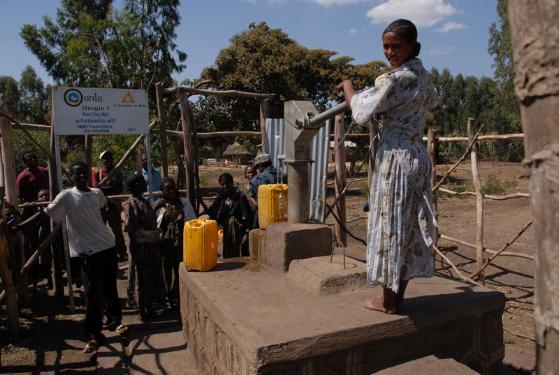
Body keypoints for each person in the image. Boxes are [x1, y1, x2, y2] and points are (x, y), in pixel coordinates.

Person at [337, 19, 437, 314]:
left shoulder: (392, 80)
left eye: (396, 46)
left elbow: (360, 111)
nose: (389, 52)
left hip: (395, 158)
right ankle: (399, 295)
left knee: (390, 226)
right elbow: (432, 102)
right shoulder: (423, 77)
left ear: (413, 47)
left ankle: (387, 301)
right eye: (386, 47)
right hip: (418, 155)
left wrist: (348, 88)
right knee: (409, 226)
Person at [15, 161, 127, 353]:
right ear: (72, 178)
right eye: (77, 174)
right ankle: (93, 334)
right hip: (87, 253)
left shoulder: (97, 193)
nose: (82, 177)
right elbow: (46, 214)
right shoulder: (66, 196)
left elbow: (101, 210)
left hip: (107, 247)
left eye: (84, 173)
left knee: (110, 288)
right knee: (91, 294)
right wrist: (20, 225)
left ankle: (115, 322)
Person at [123, 174, 165, 320]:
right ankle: (142, 311)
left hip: (149, 247)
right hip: (140, 248)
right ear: (135, 186)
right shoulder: (131, 204)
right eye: (141, 182)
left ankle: (149, 308)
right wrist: (150, 235)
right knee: (140, 279)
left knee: (150, 279)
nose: (145, 184)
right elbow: (133, 229)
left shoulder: (143, 201)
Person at [154, 177, 196, 307]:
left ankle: (179, 297)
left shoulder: (184, 203)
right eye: (168, 190)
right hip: (165, 245)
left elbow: (192, 223)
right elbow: (155, 225)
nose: (172, 192)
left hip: (181, 245)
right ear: (162, 191)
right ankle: (168, 298)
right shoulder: (158, 206)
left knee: (180, 270)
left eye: (173, 188)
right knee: (166, 271)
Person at [16, 152, 50, 287]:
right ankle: (34, 274)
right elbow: (20, 197)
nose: (33, 159)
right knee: (33, 244)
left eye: (34, 157)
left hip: (47, 211)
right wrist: (32, 204)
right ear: (25, 162)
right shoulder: (23, 177)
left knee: (48, 241)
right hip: (31, 215)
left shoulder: (43, 171)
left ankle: (48, 272)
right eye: (29, 159)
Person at [207, 173, 252, 258]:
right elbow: (214, 212)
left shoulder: (240, 196)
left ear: (232, 183)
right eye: (222, 184)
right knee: (228, 253)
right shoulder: (222, 197)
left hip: (238, 231)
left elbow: (247, 217)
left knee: (239, 253)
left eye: (227, 183)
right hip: (227, 230)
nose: (225, 186)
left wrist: (246, 234)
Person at [94, 151, 127, 261]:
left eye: (109, 158)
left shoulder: (117, 173)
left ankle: (122, 252)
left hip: (114, 207)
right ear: (102, 160)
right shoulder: (98, 173)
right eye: (105, 158)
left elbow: (119, 188)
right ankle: (103, 253)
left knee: (117, 231)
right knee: (101, 231)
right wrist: (107, 189)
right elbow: (95, 189)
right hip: (101, 208)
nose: (107, 160)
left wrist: (104, 189)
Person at [249, 153, 284, 228]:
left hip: (265, 219)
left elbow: (256, 200)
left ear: (260, 166)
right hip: (283, 217)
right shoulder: (284, 176)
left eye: (257, 167)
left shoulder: (257, 179)